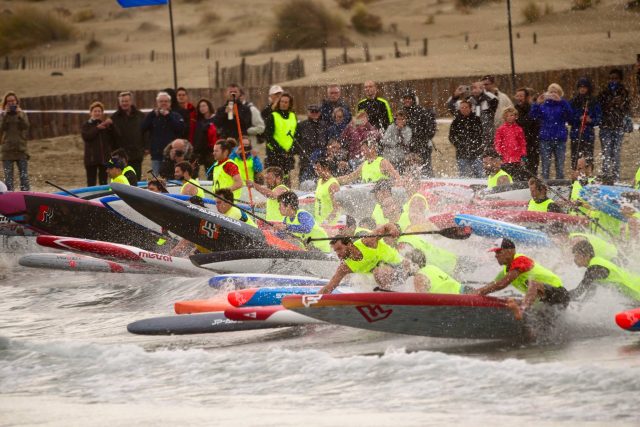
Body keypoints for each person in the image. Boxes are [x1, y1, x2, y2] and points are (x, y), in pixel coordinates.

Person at [473, 238, 569, 319]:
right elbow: (494, 284)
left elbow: (502, 284)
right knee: (537, 327)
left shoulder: (521, 260)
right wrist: (473, 294)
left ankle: (522, 310)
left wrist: (479, 292)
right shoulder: (506, 271)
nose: (496, 255)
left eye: (499, 252)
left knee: (533, 284)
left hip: (558, 294)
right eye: (495, 253)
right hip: (546, 302)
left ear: (510, 251)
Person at [318, 223, 404, 294]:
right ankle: (386, 297)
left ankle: (388, 298)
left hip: (401, 267)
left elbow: (386, 226)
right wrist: (314, 300)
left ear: (349, 245)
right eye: (335, 251)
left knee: (378, 272)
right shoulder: (345, 267)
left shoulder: (367, 242)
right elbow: (330, 286)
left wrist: (393, 229)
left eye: (339, 249)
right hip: (387, 278)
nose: (338, 254)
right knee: (375, 275)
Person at [570, 240, 640, 302]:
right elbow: (591, 290)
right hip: (634, 289)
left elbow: (578, 291)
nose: (574, 260)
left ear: (587, 255)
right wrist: (583, 303)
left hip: (636, 290)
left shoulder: (594, 268)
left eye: (577, 256)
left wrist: (561, 296)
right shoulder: (597, 262)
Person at [529, 83, 572, 180]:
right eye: (551, 92)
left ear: (560, 94)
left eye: (555, 92)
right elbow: (533, 116)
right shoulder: (543, 105)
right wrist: (537, 104)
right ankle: (544, 186)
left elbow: (570, 115)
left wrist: (561, 102)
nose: (553, 94)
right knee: (545, 166)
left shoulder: (563, 104)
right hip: (545, 139)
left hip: (560, 139)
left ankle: (560, 186)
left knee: (560, 166)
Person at [597, 68, 631, 181]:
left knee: (616, 155)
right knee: (606, 154)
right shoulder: (603, 93)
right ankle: (606, 178)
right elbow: (599, 108)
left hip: (618, 127)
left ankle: (616, 179)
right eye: (611, 79)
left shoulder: (624, 92)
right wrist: (610, 103)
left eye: (615, 78)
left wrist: (621, 104)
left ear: (620, 79)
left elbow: (627, 109)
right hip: (605, 127)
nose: (613, 81)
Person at [141, 91, 185, 176]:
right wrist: (152, 114)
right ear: (157, 103)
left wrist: (168, 116)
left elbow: (180, 129)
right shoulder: (152, 116)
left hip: (173, 156)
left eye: (166, 101)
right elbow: (142, 128)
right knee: (157, 180)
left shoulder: (176, 115)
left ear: (170, 103)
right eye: (161, 101)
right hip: (156, 155)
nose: (163, 103)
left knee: (173, 179)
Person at [447, 81, 499, 148]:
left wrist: (483, 92)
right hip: (469, 142)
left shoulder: (488, 100)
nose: (475, 89)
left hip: (487, 138)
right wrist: (455, 96)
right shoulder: (467, 100)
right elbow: (451, 107)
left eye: (477, 87)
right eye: (473, 87)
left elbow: (495, 100)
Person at [110, 91, 146, 179]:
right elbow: (110, 137)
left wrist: (146, 148)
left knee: (136, 180)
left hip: (136, 154)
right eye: (122, 101)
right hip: (120, 157)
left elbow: (146, 133)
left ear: (131, 101)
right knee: (121, 180)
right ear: (119, 102)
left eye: (126, 101)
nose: (124, 103)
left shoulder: (140, 116)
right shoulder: (114, 118)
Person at [401, 89, 437, 177]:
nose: (407, 100)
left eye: (409, 98)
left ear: (413, 100)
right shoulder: (401, 113)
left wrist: (422, 139)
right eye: (405, 98)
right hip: (408, 148)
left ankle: (429, 188)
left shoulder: (421, 111)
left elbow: (431, 128)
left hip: (422, 147)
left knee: (426, 170)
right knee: (409, 172)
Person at [568, 78, 602, 171]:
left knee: (588, 158)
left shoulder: (594, 102)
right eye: (580, 87)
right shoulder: (573, 101)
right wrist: (578, 118)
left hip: (588, 134)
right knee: (575, 159)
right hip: (576, 134)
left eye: (584, 87)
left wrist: (591, 120)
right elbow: (569, 118)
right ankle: (575, 180)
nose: (582, 89)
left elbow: (599, 118)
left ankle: (588, 179)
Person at [264, 93, 297, 184]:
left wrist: (291, 150)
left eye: (286, 102)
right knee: (273, 182)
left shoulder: (293, 116)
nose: (283, 104)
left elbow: (295, 134)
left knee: (286, 182)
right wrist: (280, 150)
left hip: (288, 155)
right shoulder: (273, 116)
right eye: (282, 101)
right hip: (275, 154)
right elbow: (268, 136)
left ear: (289, 104)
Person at [1, 91, 30, 191]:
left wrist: (19, 115)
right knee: (8, 179)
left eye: (13, 101)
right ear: (5, 103)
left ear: (16, 102)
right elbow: (1, 128)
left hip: (21, 149)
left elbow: (26, 126)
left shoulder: (21, 114)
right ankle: (9, 199)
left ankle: (26, 197)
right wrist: (5, 116)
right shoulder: (2, 115)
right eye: (8, 101)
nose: (11, 103)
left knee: (24, 177)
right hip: (7, 150)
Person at [449, 99, 484, 178]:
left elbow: (481, 135)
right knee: (464, 176)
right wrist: (459, 145)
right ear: (459, 109)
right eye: (462, 107)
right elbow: (451, 136)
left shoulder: (477, 119)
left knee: (479, 175)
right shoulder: (456, 121)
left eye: (466, 107)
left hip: (476, 153)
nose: (464, 109)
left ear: (470, 108)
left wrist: (475, 145)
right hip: (461, 154)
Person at [81, 101, 113, 187]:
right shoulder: (86, 125)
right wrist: (97, 128)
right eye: (95, 111)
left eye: (99, 111)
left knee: (103, 182)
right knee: (91, 183)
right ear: (90, 113)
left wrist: (110, 126)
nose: (97, 113)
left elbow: (112, 138)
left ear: (102, 113)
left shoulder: (105, 125)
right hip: (91, 159)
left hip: (104, 159)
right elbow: (86, 136)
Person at [296, 104, 327, 183]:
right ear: (308, 112)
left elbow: (327, 141)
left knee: (321, 183)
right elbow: (296, 141)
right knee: (304, 184)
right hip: (306, 160)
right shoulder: (301, 125)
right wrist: (301, 153)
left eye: (316, 111)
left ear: (320, 113)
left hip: (321, 161)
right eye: (312, 111)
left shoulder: (324, 125)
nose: (314, 113)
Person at [494, 106, 527, 181]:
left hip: (517, 159)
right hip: (505, 159)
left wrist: (524, 157)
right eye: (507, 116)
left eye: (512, 115)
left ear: (515, 116)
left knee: (517, 179)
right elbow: (497, 143)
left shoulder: (519, 129)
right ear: (504, 117)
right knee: (506, 179)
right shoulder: (501, 129)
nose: (509, 117)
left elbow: (522, 144)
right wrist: (499, 155)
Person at [514, 87, 540, 177]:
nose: (519, 98)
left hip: (532, 144)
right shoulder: (514, 110)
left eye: (521, 96)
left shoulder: (532, 109)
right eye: (517, 96)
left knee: (532, 169)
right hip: (519, 146)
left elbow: (533, 124)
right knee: (521, 169)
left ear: (527, 97)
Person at [313, 159, 341, 226]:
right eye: (315, 169)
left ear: (326, 168)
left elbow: (337, 208)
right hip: (319, 222)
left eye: (318, 168)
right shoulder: (319, 181)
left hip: (331, 224)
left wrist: (326, 222)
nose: (316, 171)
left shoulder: (333, 185)